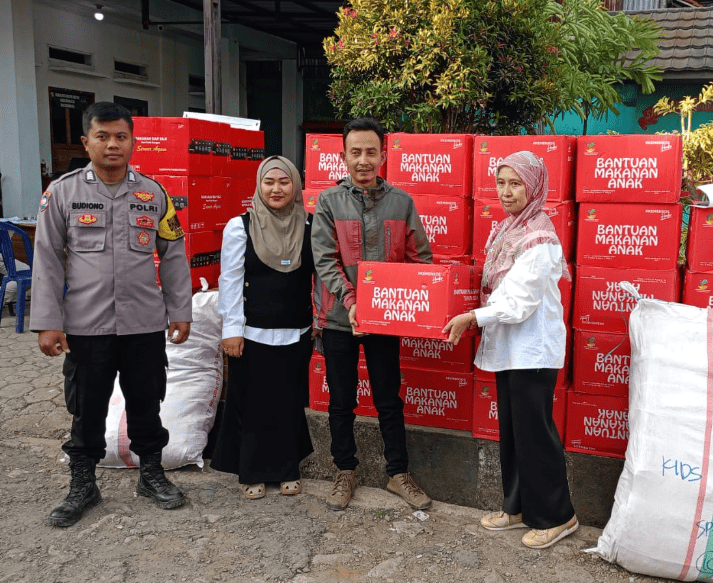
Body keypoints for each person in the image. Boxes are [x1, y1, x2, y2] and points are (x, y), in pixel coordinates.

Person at [30, 101, 193, 527]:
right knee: (87, 406)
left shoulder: (153, 194)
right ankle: (83, 483)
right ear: (86, 142)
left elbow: (173, 255)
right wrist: (48, 321)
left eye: (121, 136)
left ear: (133, 143)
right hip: (87, 325)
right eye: (102, 136)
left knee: (146, 401)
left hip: (143, 322)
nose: (112, 144)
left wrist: (180, 310)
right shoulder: (61, 193)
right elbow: (46, 258)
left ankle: (151, 474)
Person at [442, 151, 578, 550]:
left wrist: (472, 317)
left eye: (515, 183)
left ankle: (558, 516)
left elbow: (519, 302)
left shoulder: (539, 238)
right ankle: (517, 505)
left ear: (534, 187)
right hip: (510, 349)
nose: (506, 192)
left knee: (535, 434)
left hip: (532, 350)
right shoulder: (508, 229)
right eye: (501, 183)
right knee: (514, 433)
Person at [311, 117, 433, 511]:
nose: (363, 160)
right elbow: (325, 261)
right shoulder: (329, 201)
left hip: (385, 322)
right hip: (339, 320)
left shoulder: (402, 202)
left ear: (384, 153)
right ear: (343, 156)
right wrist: (352, 302)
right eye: (355, 152)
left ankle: (398, 473)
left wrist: (416, 298)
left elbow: (419, 260)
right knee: (341, 400)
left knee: (388, 399)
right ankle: (345, 470)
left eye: (371, 151)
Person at [211, 156, 316, 499]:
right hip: (251, 333)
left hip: (296, 331)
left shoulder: (311, 225)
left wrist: (318, 319)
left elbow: (319, 278)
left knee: (288, 402)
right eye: (269, 182)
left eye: (284, 182)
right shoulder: (240, 226)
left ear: (296, 185)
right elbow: (230, 280)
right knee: (252, 403)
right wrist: (231, 330)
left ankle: (288, 469)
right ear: (258, 185)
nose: (276, 189)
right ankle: (251, 472)